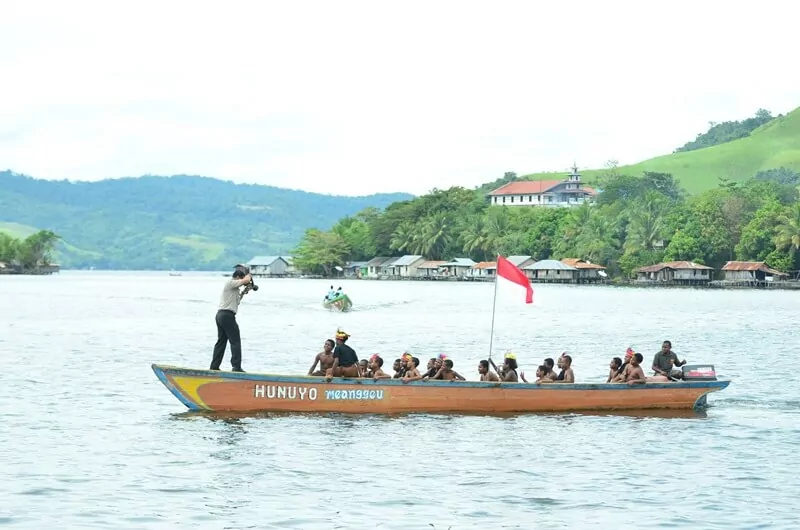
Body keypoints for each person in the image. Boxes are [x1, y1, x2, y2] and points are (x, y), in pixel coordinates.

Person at [209, 265, 253, 372]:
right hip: (227, 315)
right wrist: (248, 273)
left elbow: (236, 302)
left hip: (221, 315)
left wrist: (244, 291)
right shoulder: (230, 282)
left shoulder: (234, 289)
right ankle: (236, 367)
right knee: (235, 341)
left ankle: (214, 366)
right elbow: (246, 279)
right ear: (238, 277)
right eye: (241, 279)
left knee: (221, 341)